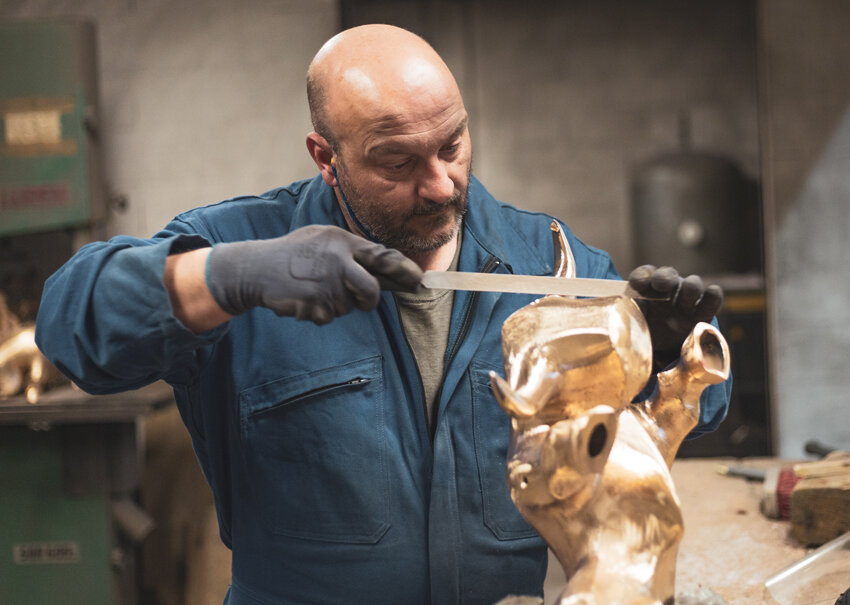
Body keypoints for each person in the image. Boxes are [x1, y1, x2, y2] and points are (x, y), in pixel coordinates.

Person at [36, 24, 731, 605]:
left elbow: (686, 412)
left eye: (452, 145)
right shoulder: (244, 247)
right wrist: (226, 275)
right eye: (395, 161)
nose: (439, 183)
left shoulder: (547, 259)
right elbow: (70, 325)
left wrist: (672, 356)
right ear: (325, 157)